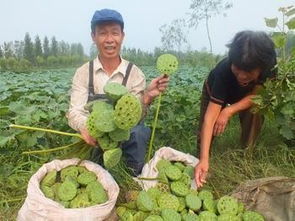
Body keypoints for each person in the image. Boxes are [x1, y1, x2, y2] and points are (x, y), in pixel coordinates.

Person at [67, 9, 169, 176]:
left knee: (139, 132)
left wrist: (147, 97)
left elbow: (136, 117)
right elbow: (74, 111)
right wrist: (86, 128)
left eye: (114, 33)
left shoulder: (135, 73)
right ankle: (98, 171)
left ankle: (132, 174)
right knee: (94, 170)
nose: (109, 40)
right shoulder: (83, 72)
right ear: (93, 36)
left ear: (122, 36)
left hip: (125, 136)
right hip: (96, 138)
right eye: (102, 33)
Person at [194, 30, 277, 187]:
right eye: (237, 68)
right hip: (214, 91)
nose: (241, 76)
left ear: (262, 67)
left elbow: (256, 96)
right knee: (205, 131)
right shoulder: (223, 71)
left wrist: (228, 111)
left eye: (249, 72)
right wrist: (204, 159)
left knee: (255, 111)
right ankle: (202, 162)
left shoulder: (270, 67)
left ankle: (245, 156)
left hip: (249, 94)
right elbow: (210, 118)